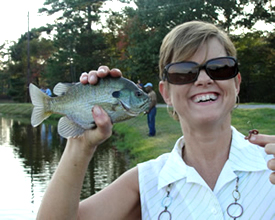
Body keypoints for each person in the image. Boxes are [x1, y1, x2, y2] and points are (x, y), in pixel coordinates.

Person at [37, 21, 275, 220]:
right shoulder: (147, 181)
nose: (203, 79)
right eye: (184, 71)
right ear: (166, 93)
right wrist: (80, 143)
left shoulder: (271, 164)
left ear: (236, 83)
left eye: (220, 68)